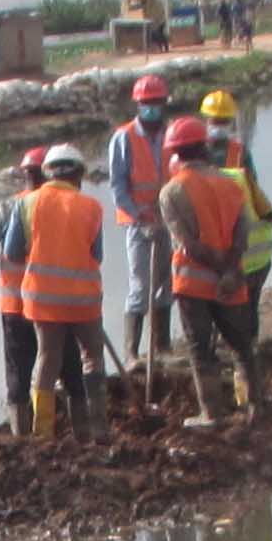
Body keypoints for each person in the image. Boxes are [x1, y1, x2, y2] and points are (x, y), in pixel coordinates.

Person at [157, 112, 258, 421]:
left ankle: (211, 413)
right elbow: (243, 234)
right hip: (231, 280)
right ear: (204, 148)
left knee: (201, 351)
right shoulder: (230, 184)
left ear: (175, 153)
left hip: (194, 284)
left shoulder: (171, 192)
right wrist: (228, 271)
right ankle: (254, 406)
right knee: (241, 347)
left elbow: (187, 244)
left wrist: (216, 268)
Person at [19, 144, 108, 432]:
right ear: (79, 175)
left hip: (42, 298)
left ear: (47, 173)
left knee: (47, 358)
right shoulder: (92, 207)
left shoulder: (28, 203)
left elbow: (11, 250)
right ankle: (98, 428)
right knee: (92, 356)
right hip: (84, 299)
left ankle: (42, 431)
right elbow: (98, 255)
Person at [0, 145, 50, 432]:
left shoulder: (6, 208)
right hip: (56, 305)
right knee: (56, 368)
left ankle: (21, 434)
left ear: (23, 174)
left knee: (19, 374)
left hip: (15, 306)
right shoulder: (66, 205)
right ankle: (48, 431)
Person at [100, 73, 180, 368]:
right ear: (138, 105)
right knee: (140, 284)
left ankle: (162, 346)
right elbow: (118, 187)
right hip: (138, 224)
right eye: (146, 103)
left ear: (163, 103)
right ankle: (132, 353)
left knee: (165, 282)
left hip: (168, 220)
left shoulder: (170, 134)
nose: (151, 108)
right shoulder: (124, 138)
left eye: (155, 103)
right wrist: (140, 215)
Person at [206, 92, 272, 344]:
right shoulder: (234, 153)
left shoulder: (212, 153)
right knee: (241, 304)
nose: (218, 127)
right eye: (216, 121)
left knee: (227, 301)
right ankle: (246, 348)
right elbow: (258, 195)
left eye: (221, 121)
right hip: (240, 241)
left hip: (230, 237)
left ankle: (238, 348)